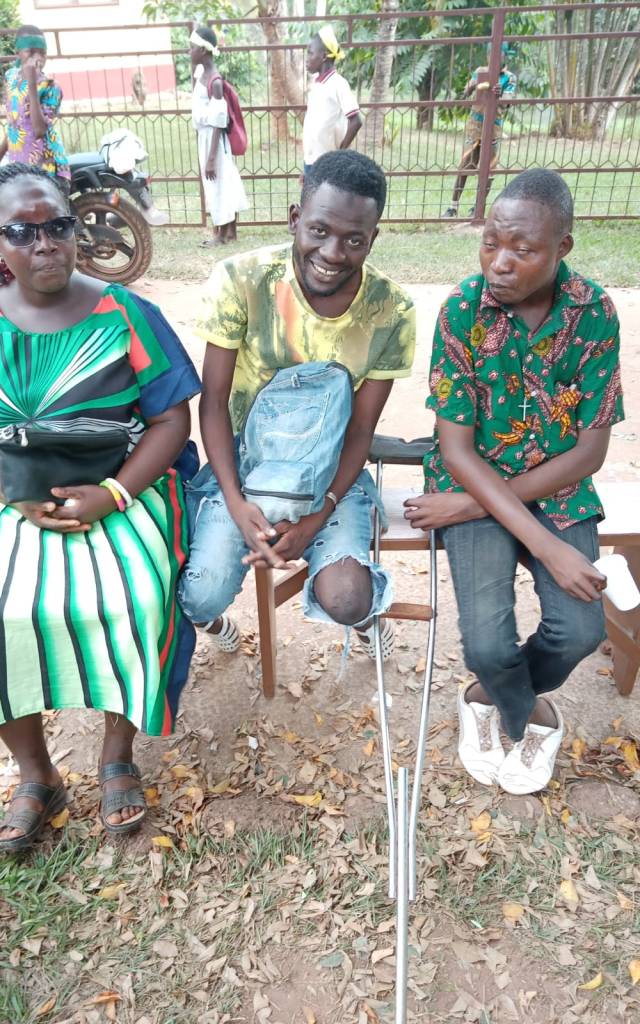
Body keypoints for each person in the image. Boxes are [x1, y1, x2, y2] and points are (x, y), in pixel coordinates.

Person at [0, 163, 201, 851]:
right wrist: (14, 495)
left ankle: (116, 754)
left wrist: (114, 493)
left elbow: (172, 421)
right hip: (13, 492)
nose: (44, 243)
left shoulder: (126, 313)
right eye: (21, 232)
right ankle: (36, 773)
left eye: (57, 225)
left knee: (135, 596)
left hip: (122, 484)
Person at [405, 169, 624, 795]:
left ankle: (486, 698)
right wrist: (546, 545)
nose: (499, 263)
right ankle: (530, 714)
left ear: (562, 248)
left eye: (522, 250)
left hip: (544, 487)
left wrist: (467, 509)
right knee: (486, 644)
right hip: (472, 474)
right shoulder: (462, 310)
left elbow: (589, 453)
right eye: (490, 243)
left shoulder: (594, 314)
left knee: (581, 632)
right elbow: (456, 448)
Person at [178, 150, 415, 662]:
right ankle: (214, 623)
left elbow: (360, 431)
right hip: (244, 466)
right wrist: (237, 504)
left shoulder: (391, 310)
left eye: (354, 240)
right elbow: (213, 403)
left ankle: (365, 620)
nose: (333, 252)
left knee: (348, 598)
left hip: (329, 473)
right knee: (198, 596)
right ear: (294, 218)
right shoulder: (242, 280)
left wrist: (317, 514)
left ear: (373, 238)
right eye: (319, 230)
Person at [0, 25, 70, 190]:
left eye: (42, 53)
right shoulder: (11, 77)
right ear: (18, 52)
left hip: (47, 167)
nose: (37, 58)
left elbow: (39, 130)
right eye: (30, 52)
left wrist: (32, 86)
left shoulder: (51, 87)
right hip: (19, 165)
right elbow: (15, 125)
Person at [189, 25, 248, 246]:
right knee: (223, 182)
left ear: (203, 51)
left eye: (192, 47)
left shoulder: (214, 82)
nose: (189, 51)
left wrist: (212, 158)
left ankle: (221, 236)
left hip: (214, 141)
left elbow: (218, 121)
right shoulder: (201, 74)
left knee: (219, 184)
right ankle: (230, 232)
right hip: (205, 137)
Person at [442, 42, 517, 219]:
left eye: (498, 54)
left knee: (488, 170)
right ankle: (453, 207)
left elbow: (508, 101)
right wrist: (474, 84)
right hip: (475, 126)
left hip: (493, 128)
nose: (493, 58)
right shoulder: (480, 71)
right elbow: (466, 91)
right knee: (465, 164)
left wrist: (500, 94)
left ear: (504, 56)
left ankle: (478, 208)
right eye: (491, 54)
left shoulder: (509, 78)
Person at [303, 27, 362, 175]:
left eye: (310, 53)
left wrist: (339, 154)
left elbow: (356, 121)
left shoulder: (338, 84)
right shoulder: (317, 84)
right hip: (312, 161)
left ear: (324, 56)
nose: (307, 58)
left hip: (329, 164)